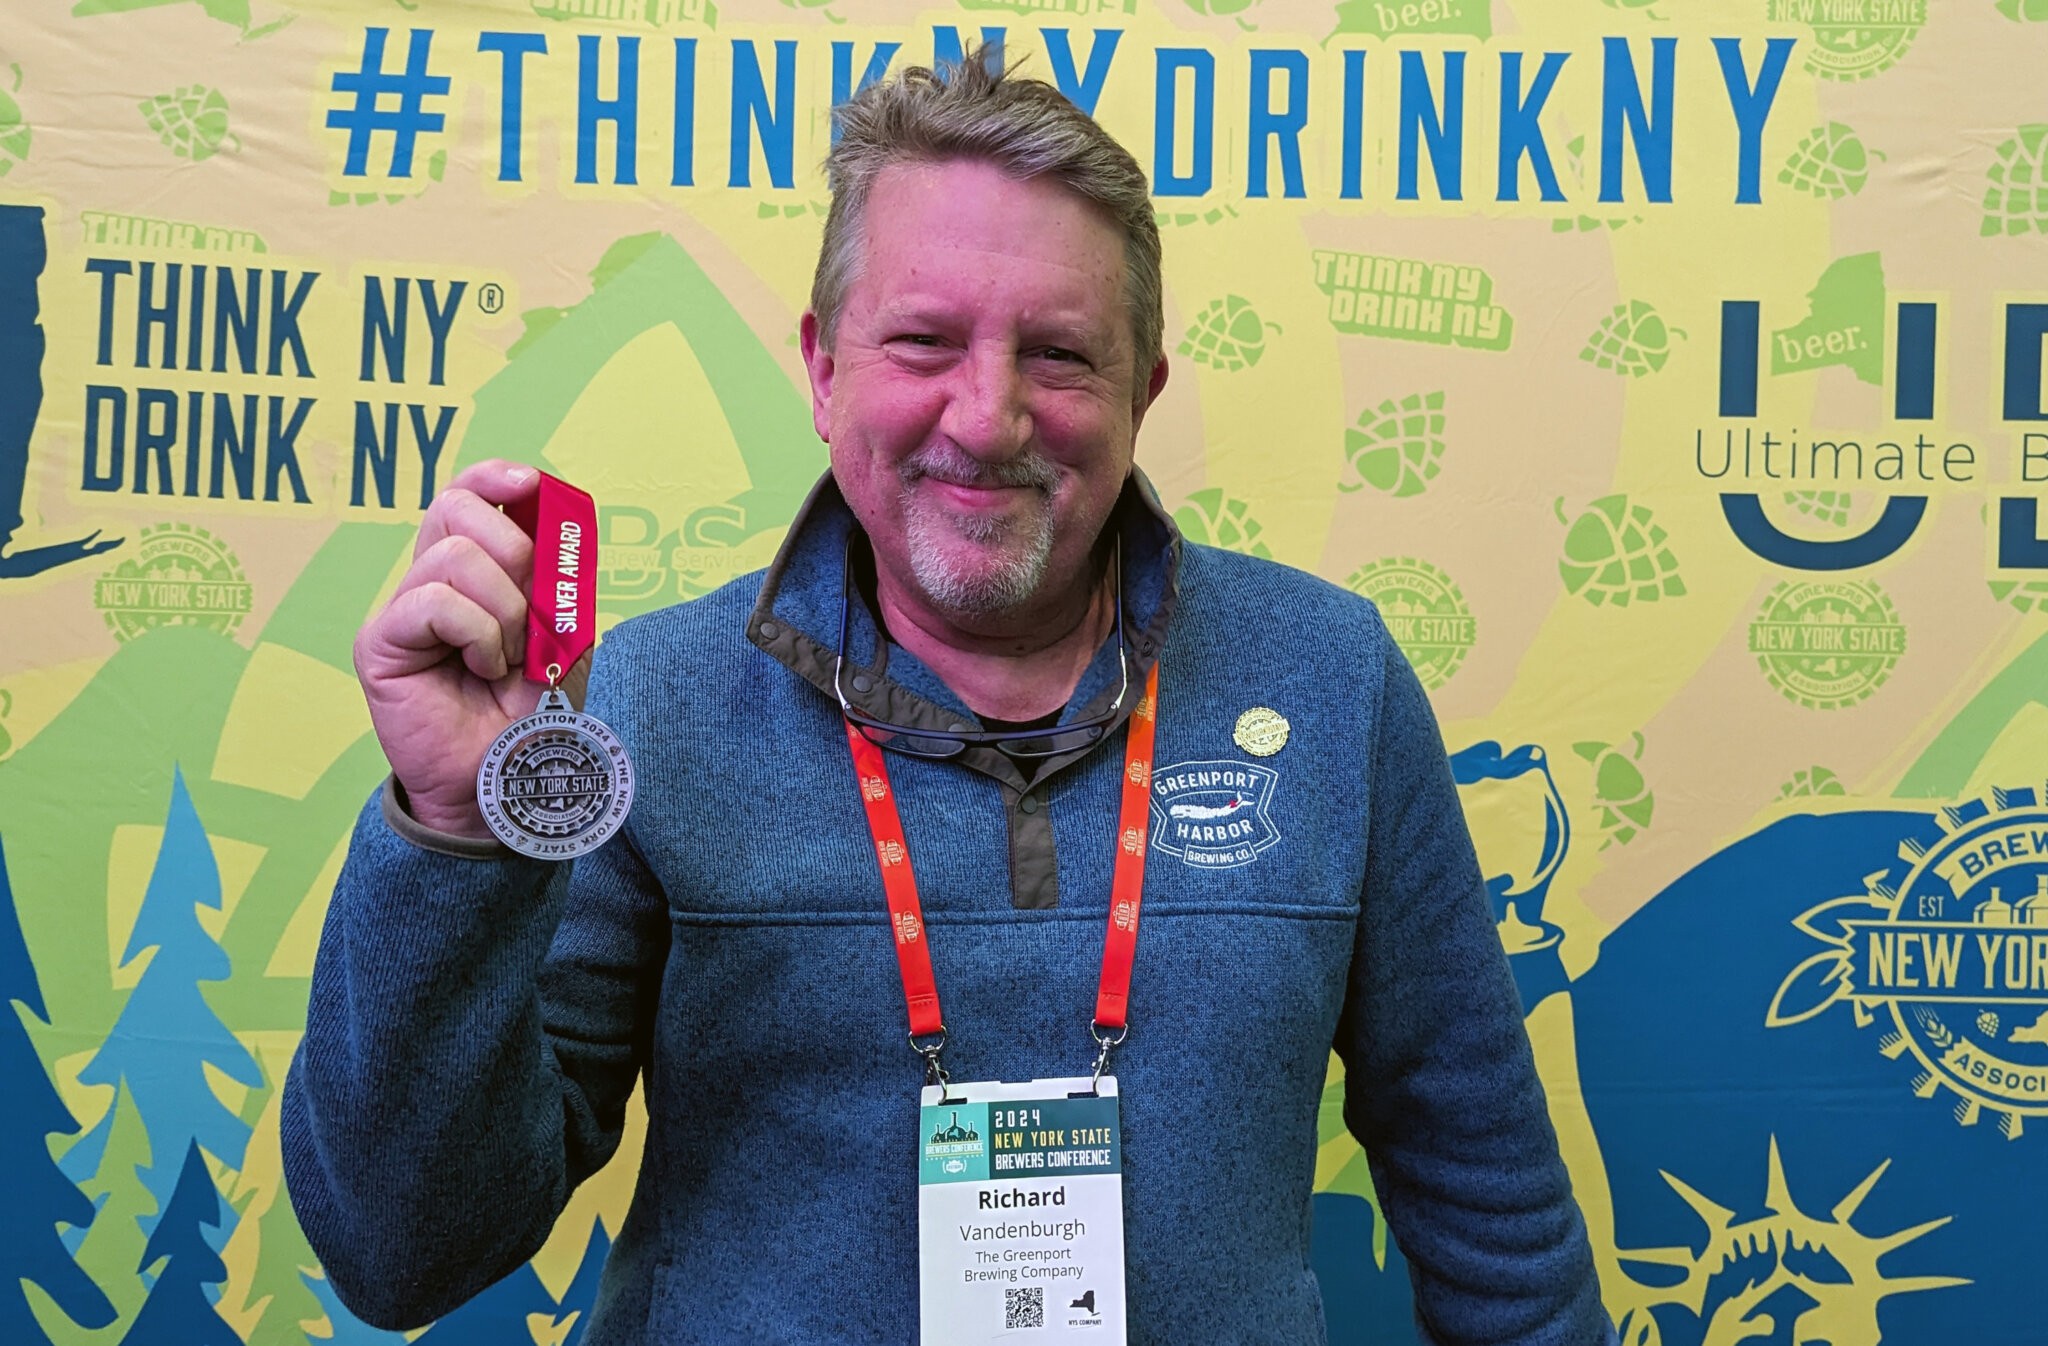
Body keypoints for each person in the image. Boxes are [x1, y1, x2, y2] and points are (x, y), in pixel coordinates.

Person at [282, 51, 1614, 1346]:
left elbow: (1493, 1216)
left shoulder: (1330, 682)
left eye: (1061, 357)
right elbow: (403, 1250)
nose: (988, 417)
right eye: (924, 340)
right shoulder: (639, 703)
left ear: (1143, 392)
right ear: (820, 368)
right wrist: (454, 830)